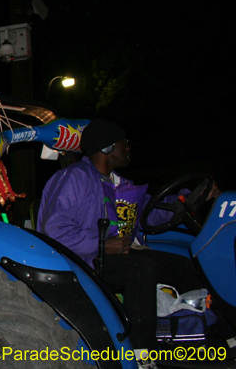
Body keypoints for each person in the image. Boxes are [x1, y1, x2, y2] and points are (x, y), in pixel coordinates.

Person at [37, 119, 212, 361]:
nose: (129, 147)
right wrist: (102, 244)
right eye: (124, 142)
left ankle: (195, 332)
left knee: (183, 264)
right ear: (107, 148)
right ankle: (141, 351)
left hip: (118, 254)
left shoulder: (121, 184)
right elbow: (55, 230)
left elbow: (152, 213)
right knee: (141, 267)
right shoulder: (74, 177)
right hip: (85, 259)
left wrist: (190, 198)